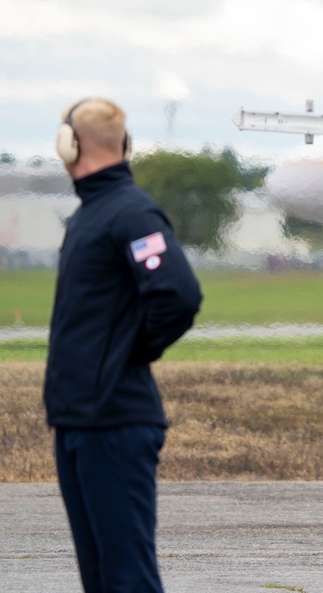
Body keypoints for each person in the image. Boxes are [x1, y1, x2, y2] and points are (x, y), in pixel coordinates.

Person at [44, 98, 202, 593]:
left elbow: (178, 295)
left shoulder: (130, 213)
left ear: (69, 145)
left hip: (114, 421)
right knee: (100, 577)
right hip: (79, 419)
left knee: (126, 576)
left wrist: (128, 354)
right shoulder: (90, 215)